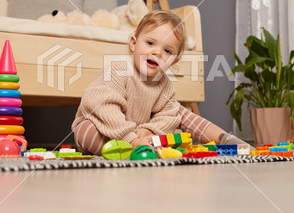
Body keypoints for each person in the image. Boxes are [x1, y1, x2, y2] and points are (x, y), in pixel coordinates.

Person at [71, 10, 251, 155]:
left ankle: (223, 139)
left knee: (179, 112)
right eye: (150, 43)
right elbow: (102, 107)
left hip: (142, 133)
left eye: (167, 50)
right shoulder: (119, 69)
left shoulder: (165, 85)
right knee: (86, 129)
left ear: (174, 61)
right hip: (106, 128)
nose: (157, 52)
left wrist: (151, 130)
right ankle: (127, 151)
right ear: (133, 43)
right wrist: (132, 139)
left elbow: (167, 116)